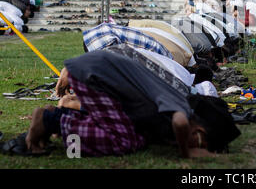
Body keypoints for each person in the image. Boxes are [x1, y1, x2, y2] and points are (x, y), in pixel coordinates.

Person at [23, 50, 240, 158]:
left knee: (137, 138)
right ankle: (50, 121)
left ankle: (62, 124)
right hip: (96, 76)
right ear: (199, 129)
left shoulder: (180, 98)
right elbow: (180, 122)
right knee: (123, 141)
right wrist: (186, 152)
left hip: (99, 74)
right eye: (200, 142)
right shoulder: (181, 105)